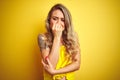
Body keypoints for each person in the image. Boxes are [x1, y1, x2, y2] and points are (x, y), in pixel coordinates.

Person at [38, 3, 81, 80]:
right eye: (55, 19)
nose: (58, 23)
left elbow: (77, 64)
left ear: (67, 22)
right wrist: (57, 37)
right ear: (49, 20)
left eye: (63, 20)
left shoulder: (73, 36)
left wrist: (55, 72)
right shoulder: (43, 38)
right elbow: (51, 65)